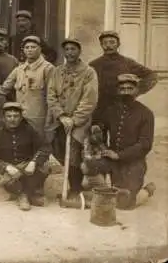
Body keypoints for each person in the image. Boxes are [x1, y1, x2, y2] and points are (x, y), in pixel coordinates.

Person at [46, 38, 99, 204]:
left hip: (79, 122)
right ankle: (74, 184)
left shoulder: (89, 72)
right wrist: (61, 116)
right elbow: (51, 95)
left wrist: (74, 120)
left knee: (75, 152)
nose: (70, 53)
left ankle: (76, 189)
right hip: (59, 120)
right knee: (59, 150)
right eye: (67, 49)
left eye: (73, 49)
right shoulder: (56, 71)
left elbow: (89, 99)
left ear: (79, 51)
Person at [97, 74, 156, 210]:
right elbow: (99, 131)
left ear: (137, 90)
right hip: (112, 162)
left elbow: (145, 144)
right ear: (118, 91)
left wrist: (119, 155)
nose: (126, 92)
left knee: (124, 204)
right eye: (122, 89)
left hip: (134, 164)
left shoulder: (146, 113)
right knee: (102, 195)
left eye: (130, 88)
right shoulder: (110, 110)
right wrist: (102, 147)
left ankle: (148, 190)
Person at [0, 102, 51, 211]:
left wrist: (34, 162)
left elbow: (45, 147)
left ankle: (25, 195)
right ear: (4, 117)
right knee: (6, 181)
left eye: (16, 116)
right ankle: (26, 194)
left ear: (21, 117)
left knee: (44, 167)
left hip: (25, 164)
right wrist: (5, 167)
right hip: (6, 166)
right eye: (9, 116)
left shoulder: (30, 129)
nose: (12, 119)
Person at [89, 30, 158, 124]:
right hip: (100, 109)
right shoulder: (94, 65)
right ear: (101, 45)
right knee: (97, 137)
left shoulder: (127, 62)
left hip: (122, 107)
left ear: (118, 44)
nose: (108, 45)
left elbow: (151, 75)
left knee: (121, 137)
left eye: (112, 42)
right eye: (105, 43)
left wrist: (136, 91)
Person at [0, 35, 55, 138]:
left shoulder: (48, 69)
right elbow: (4, 88)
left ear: (40, 49)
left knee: (39, 149)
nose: (29, 50)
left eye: (33, 47)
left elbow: (52, 97)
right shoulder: (19, 69)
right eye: (27, 48)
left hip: (38, 120)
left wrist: (49, 122)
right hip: (20, 119)